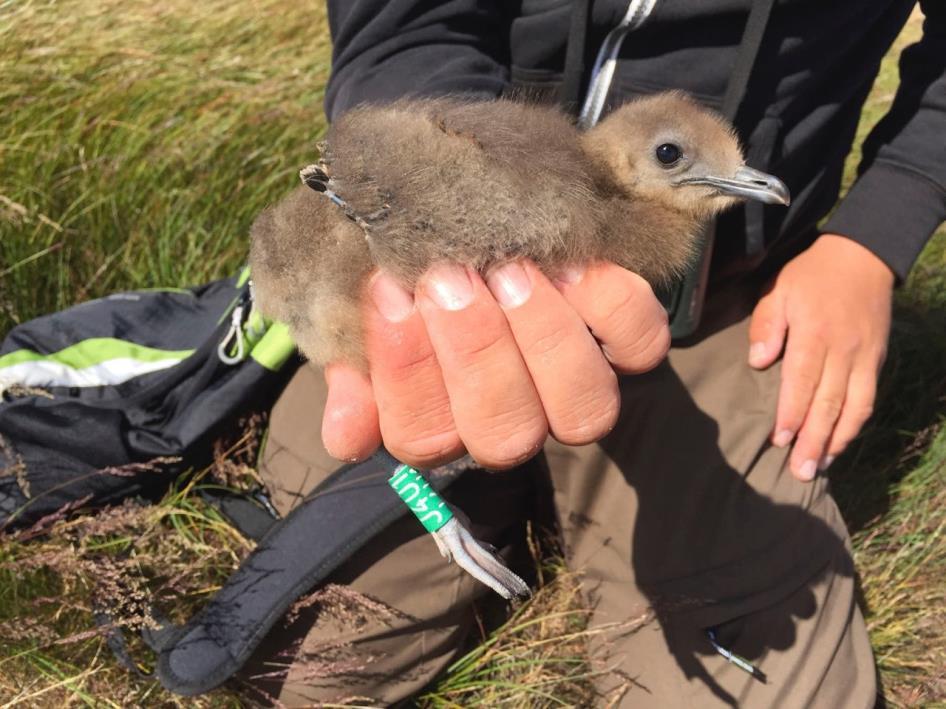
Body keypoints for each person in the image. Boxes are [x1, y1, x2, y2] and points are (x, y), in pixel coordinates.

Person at [245, 1, 945, 706]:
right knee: (304, 669)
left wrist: (873, 236)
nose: (749, 179)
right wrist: (422, 179)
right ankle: (460, 494)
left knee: (779, 688)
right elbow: (405, 30)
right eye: (676, 158)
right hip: (411, 292)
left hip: (727, 307)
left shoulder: (620, 222)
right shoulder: (552, 205)